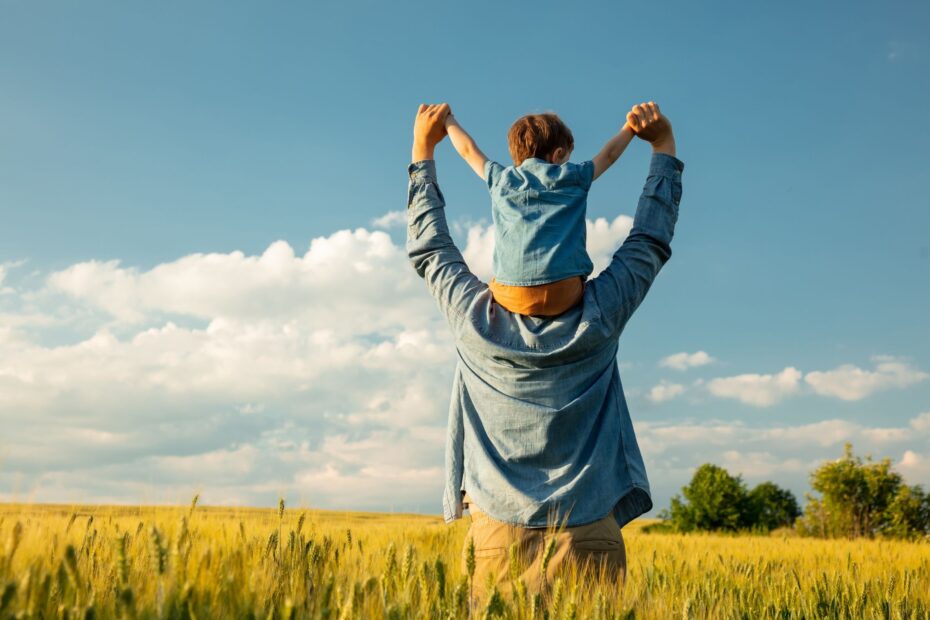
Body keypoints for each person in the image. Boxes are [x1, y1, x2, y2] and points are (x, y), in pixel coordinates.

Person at [406, 101, 683, 603]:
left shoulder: (473, 322)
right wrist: (662, 147)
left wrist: (424, 150)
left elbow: (431, 249)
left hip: (495, 546)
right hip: (590, 537)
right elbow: (649, 240)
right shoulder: (601, 315)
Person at [444, 110, 635, 316]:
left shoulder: (501, 179)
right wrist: (630, 128)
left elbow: (467, 150)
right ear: (558, 154)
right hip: (565, 294)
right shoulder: (573, 176)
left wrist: (448, 119)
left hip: (512, 296)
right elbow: (609, 155)